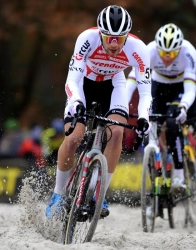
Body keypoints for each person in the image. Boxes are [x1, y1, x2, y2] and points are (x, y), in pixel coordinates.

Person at [46, 5, 152, 219]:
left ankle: (99, 195)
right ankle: (58, 194)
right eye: (109, 38)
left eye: (119, 39)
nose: (114, 44)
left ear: (127, 37)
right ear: (100, 33)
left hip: (114, 85)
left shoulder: (138, 49)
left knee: (117, 134)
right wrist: (75, 101)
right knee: (74, 137)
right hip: (84, 84)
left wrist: (144, 118)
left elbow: (145, 92)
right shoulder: (87, 39)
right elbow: (72, 80)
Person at [126, 23, 196, 191]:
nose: (167, 57)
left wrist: (183, 107)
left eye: (172, 53)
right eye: (163, 53)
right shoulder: (150, 50)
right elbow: (133, 78)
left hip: (178, 88)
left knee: (173, 123)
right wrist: (124, 101)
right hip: (158, 86)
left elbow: (190, 89)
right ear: (157, 48)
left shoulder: (189, 52)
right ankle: (154, 178)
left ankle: (179, 176)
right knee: (149, 124)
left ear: (180, 49)